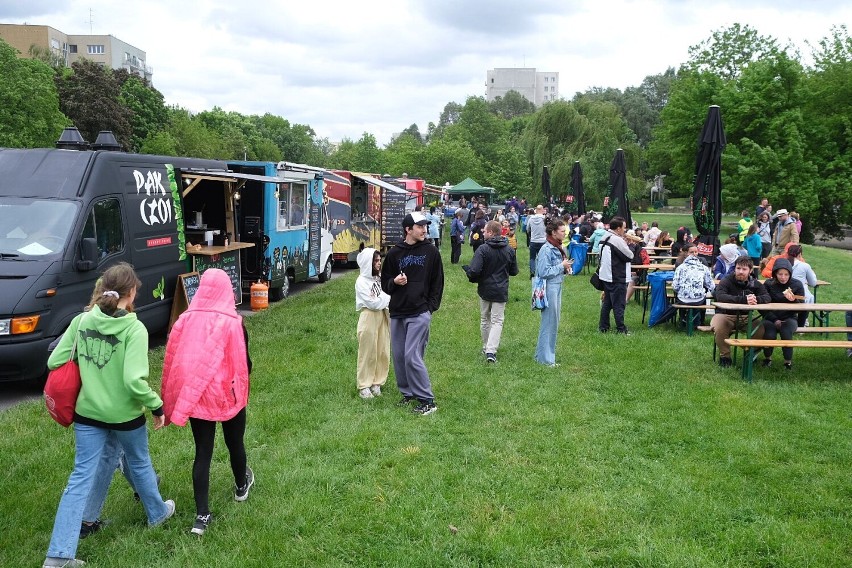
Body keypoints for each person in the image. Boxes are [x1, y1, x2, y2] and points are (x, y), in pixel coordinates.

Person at [44, 263, 173, 567]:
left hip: (87, 413)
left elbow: (55, 361)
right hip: (124, 415)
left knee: (81, 476)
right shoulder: (134, 328)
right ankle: (157, 513)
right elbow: (132, 381)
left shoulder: (82, 321)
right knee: (139, 462)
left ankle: (59, 555)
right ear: (131, 293)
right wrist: (157, 406)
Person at [161, 268, 253, 536]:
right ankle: (240, 487)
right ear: (228, 290)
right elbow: (245, 365)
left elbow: (174, 360)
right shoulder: (235, 323)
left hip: (199, 396)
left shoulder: (184, 321)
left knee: (203, 452)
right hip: (228, 394)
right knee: (235, 442)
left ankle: (201, 515)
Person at [380, 212, 444, 416]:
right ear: (408, 229)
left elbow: (438, 282)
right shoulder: (394, 254)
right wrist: (394, 283)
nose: (424, 229)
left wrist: (430, 307)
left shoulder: (431, 252)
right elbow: (385, 284)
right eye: (420, 226)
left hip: (419, 311)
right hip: (398, 311)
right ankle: (408, 394)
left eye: (425, 226)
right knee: (399, 356)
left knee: (411, 355)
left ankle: (427, 400)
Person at [466, 221, 518, 363]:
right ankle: (491, 350)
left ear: (491, 232)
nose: (483, 233)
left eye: (485, 231)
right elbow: (514, 271)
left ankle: (486, 347)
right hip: (500, 289)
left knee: (485, 319)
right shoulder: (509, 249)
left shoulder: (483, 249)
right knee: (497, 321)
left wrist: (469, 272)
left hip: (485, 289)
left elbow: (475, 270)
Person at [710, 256, 770, 368]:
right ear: (735, 268)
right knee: (719, 328)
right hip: (724, 314)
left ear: (750, 270)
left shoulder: (754, 283)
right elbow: (720, 296)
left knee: (760, 329)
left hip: (746, 316)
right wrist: (743, 300)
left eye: (744, 269)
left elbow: (767, 297)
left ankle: (750, 354)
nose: (740, 272)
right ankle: (725, 356)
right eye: (738, 268)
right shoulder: (726, 280)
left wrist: (755, 299)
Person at [534, 217, 573, 366]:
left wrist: (565, 269)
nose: (565, 234)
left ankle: (542, 355)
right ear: (553, 232)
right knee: (549, 323)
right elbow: (543, 271)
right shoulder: (546, 248)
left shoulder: (557, 246)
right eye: (562, 231)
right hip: (549, 287)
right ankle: (546, 359)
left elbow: (555, 267)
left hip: (557, 285)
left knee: (553, 322)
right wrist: (561, 266)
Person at [353, 248, 391, 399]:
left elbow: (383, 296)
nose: (378, 263)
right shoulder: (361, 281)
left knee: (382, 349)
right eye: (375, 261)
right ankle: (364, 385)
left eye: (379, 260)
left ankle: (377, 382)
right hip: (369, 316)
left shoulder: (379, 278)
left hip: (383, 315)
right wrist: (387, 297)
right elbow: (372, 303)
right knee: (368, 351)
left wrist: (384, 298)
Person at [760, 258, 804, 370]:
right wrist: (774, 319)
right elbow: (762, 307)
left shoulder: (797, 284)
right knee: (769, 333)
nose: (783, 277)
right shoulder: (768, 284)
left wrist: (793, 300)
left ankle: (787, 362)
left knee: (786, 332)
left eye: (786, 274)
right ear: (775, 273)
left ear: (790, 274)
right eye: (780, 274)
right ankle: (768, 358)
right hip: (770, 317)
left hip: (789, 317)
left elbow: (803, 307)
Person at [598, 216, 634, 334]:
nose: (625, 230)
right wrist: (630, 245)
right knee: (619, 304)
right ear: (618, 228)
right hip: (617, 276)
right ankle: (621, 329)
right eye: (624, 228)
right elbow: (629, 256)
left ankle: (603, 327)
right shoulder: (617, 240)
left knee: (607, 303)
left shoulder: (605, 236)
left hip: (605, 276)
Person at [672, 244, 715, 328]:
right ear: (685, 253)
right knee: (701, 295)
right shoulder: (704, 267)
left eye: (696, 251)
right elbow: (711, 286)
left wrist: (682, 291)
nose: (694, 254)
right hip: (698, 299)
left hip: (682, 299)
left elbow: (675, 286)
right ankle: (696, 322)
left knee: (684, 296)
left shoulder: (680, 267)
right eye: (692, 252)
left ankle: (684, 320)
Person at [526, 204, 547, 278]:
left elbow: (527, 229)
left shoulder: (531, 219)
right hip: (542, 241)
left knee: (532, 258)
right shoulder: (544, 219)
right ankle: (541, 273)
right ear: (541, 210)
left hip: (533, 240)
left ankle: (532, 272)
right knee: (542, 258)